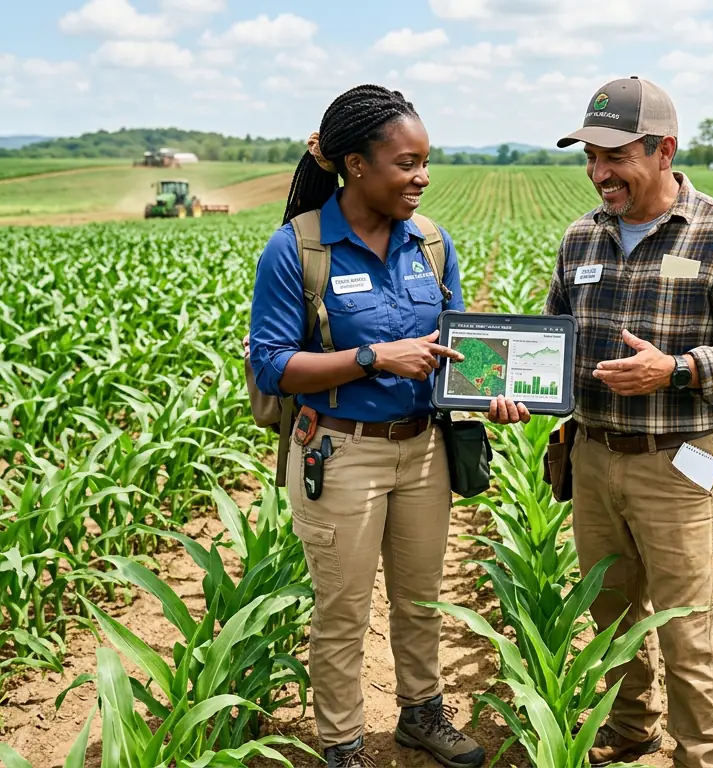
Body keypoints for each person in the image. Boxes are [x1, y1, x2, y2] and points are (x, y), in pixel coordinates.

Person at [489, 76, 713, 768]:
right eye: (590, 156)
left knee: (689, 628)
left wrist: (675, 370)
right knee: (611, 615)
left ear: (664, 150)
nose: (599, 173)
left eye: (614, 156)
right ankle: (631, 730)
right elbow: (553, 343)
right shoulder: (581, 239)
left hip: (680, 461)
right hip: (593, 457)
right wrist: (508, 390)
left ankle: (703, 757)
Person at [246, 84, 485, 768]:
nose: (422, 176)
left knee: (420, 600)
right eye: (406, 163)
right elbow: (270, 366)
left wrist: (499, 391)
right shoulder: (299, 249)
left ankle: (421, 716)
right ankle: (343, 746)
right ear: (355, 165)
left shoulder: (433, 245)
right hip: (340, 454)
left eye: (425, 161)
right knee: (343, 612)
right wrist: (370, 357)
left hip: (423, 453)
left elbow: (459, 351)